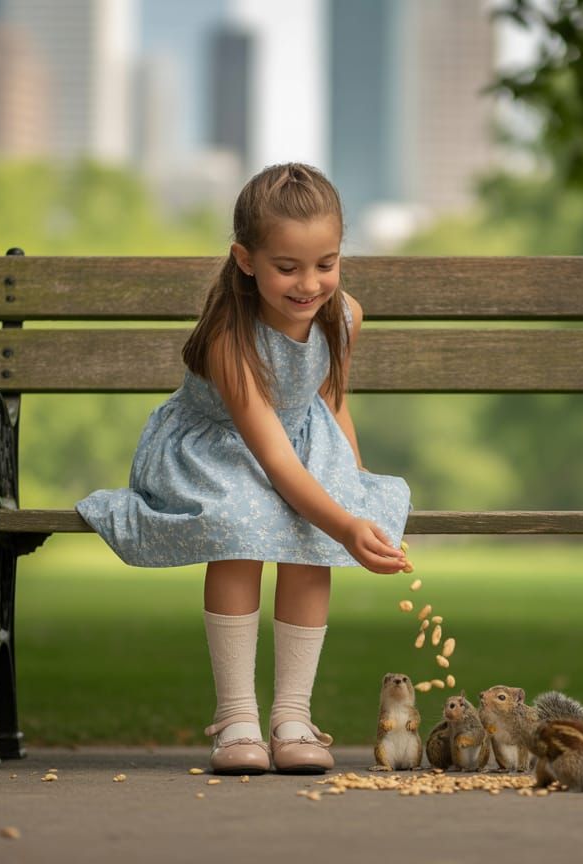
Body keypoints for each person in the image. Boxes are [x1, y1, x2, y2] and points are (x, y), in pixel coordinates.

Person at [76, 163, 411, 775]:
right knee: (240, 524)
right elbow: (270, 455)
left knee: (310, 534)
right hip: (218, 449)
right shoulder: (230, 339)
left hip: (300, 443)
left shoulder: (344, 315)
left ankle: (292, 716)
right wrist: (342, 524)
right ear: (246, 259)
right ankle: (235, 719)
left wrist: (352, 487)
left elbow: (332, 399)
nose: (310, 283)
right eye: (288, 267)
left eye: (326, 263)